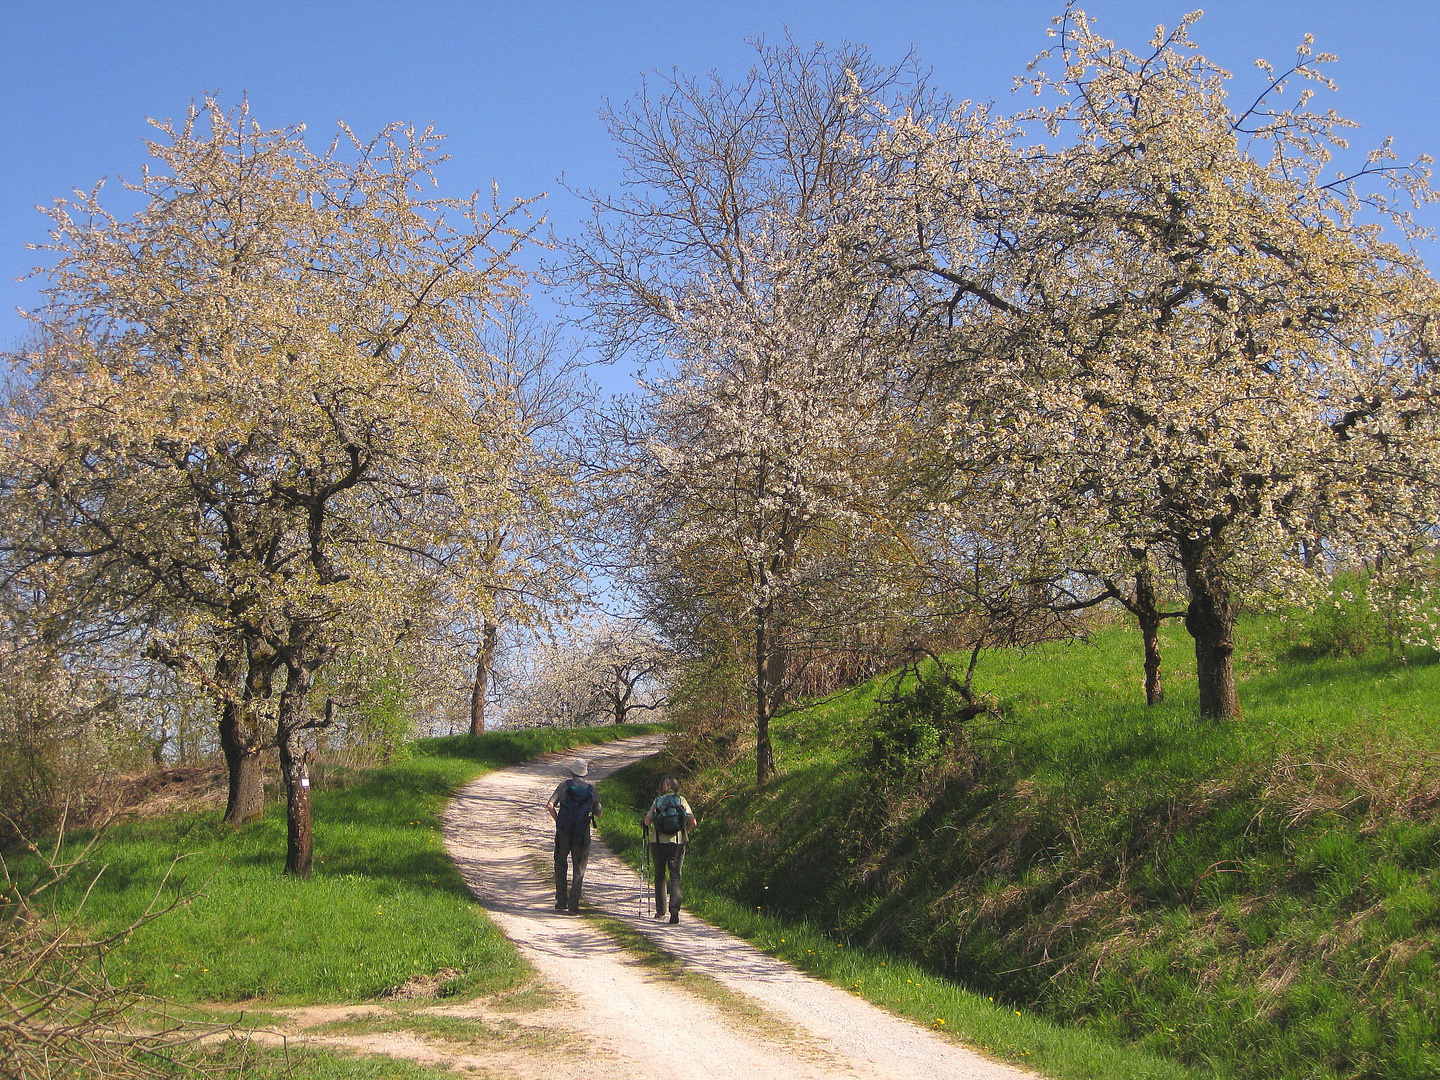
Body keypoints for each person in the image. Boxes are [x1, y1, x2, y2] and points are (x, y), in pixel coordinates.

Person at [546, 758, 602, 914]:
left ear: (572, 771)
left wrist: (558, 820)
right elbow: (599, 814)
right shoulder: (592, 790)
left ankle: (561, 901)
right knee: (579, 868)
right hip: (581, 832)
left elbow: (550, 805)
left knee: (560, 864)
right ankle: (573, 904)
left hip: (564, 830)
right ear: (585, 773)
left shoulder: (563, 786)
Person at [642, 773, 697, 924]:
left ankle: (660, 912)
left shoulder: (658, 801)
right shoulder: (681, 800)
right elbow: (693, 821)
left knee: (660, 875)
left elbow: (647, 821)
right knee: (675, 876)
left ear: (662, 787)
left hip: (658, 842)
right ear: (676, 786)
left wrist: (648, 819)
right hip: (677, 842)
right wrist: (684, 831)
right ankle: (674, 911)